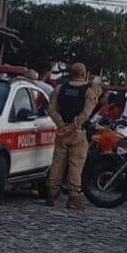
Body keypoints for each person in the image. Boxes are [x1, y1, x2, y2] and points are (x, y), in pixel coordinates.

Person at [46, 63, 101, 210]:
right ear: (84, 74)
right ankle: (73, 197)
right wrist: (73, 125)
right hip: (77, 132)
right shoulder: (88, 92)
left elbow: (51, 108)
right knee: (76, 164)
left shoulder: (60, 88)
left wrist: (61, 124)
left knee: (57, 162)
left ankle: (51, 193)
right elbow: (86, 113)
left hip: (61, 132)